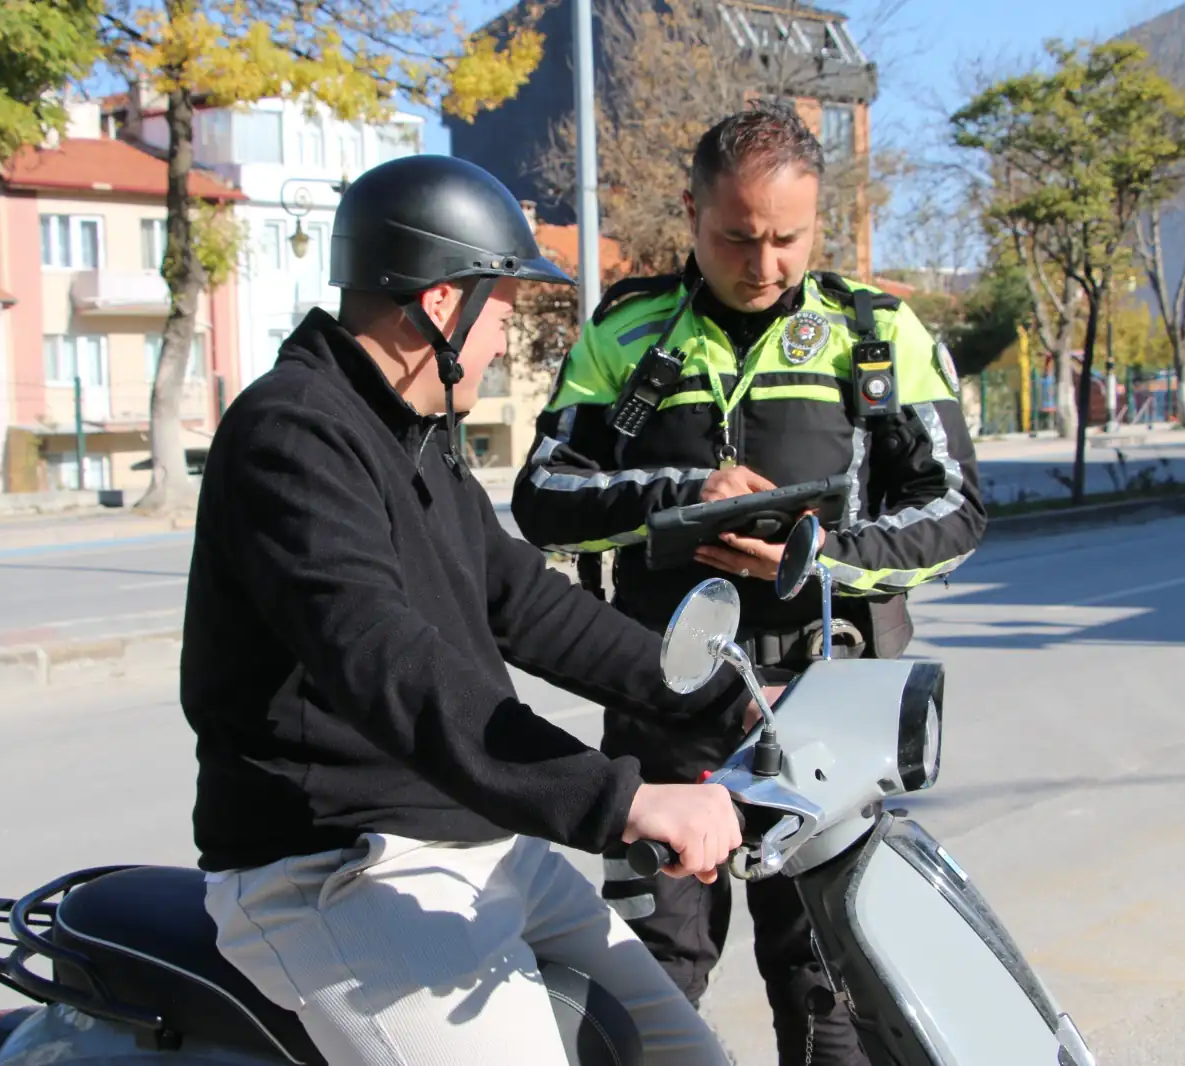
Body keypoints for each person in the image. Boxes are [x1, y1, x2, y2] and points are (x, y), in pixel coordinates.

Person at [181, 153, 776, 1066]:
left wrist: (717, 697)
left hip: (479, 847)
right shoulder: (292, 434)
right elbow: (387, 661)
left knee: (687, 1054)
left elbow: (521, 600)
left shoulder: (415, 435)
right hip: (338, 868)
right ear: (443, 303)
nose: (508, 338)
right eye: (506, 306)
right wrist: (620, 800)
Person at [511, 100, 987, 1065]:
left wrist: (821, 557)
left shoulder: (876, 333)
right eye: (737, 236)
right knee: (648, 976)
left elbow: (958, 510)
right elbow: (543, 496)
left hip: (821, 709)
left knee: (828, 991)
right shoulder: (627, 333)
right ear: (691, 212)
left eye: (787, 239)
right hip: (662, 701)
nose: (764, 264)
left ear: (820, 223)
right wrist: (686, 494)